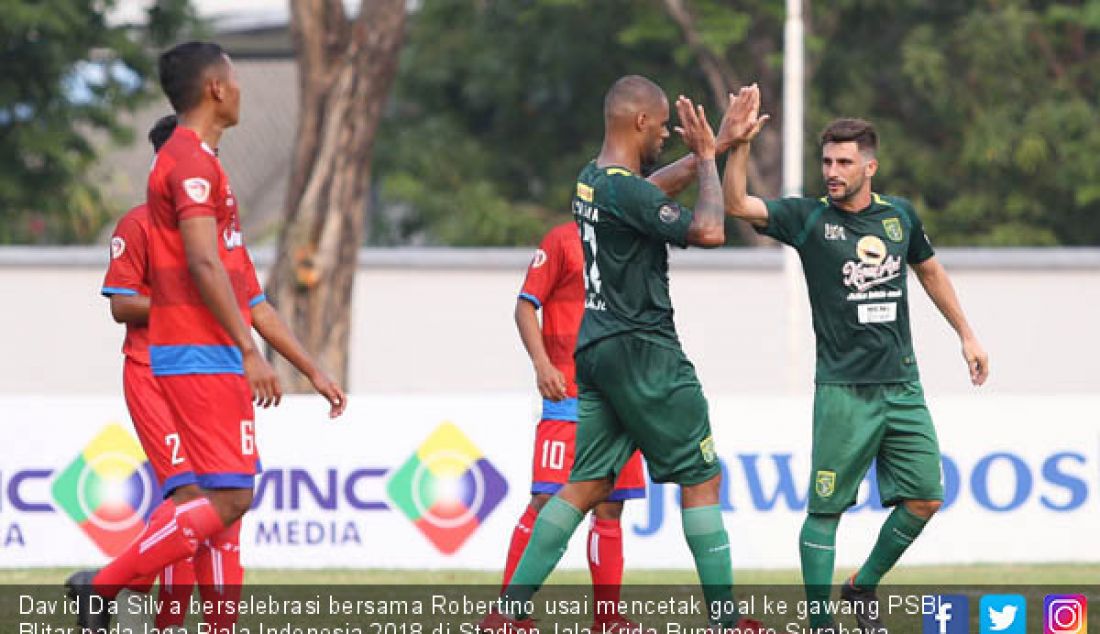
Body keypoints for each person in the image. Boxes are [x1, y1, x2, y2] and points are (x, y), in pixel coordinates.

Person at [69, 41, 346, 632]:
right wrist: (248, 351)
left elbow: (251, 299)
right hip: (179, 360)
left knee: (226, 506)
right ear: (215, 89)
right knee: (206, 501)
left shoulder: (213, 180)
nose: (242, 87)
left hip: (211, 353)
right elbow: (174, 280)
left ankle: (180, 613)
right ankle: (114, 589)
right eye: (235, 77)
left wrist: (309, 367)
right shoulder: (185, 169)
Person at [479, 75, 762, 634]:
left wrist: (719, 145)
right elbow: (709, 231)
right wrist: (707, 156)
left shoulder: (592, 180)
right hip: (647, 350)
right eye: (660, 127)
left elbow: (648, 189)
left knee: (585, 485)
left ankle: (506, 615)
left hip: (597, 351)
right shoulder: (623, 189)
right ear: (639, 123)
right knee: (702, 479)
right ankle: (728, 622)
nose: (665, 136)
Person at [722, 88, 989, 633]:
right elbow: (737, 205)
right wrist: (741, 148)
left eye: (844, 162)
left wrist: (967, 334)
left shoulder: (900, 217)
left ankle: (861, 586)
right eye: (827, 161)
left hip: (902, 386)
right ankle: (821, 624)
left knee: (925, 498)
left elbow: (931, 273)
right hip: (844, 390)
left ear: (871, 165)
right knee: (825, 511)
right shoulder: (808, 218)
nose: (833, 171)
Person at [506, 221, 647, 634]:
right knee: (546, 500)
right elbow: (524, 305)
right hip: (567, 394)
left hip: (622, 400)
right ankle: (507, 614)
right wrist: (542, 364)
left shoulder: (637, 240)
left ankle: (607, 620)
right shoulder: (563, 239)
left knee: (610, 507)